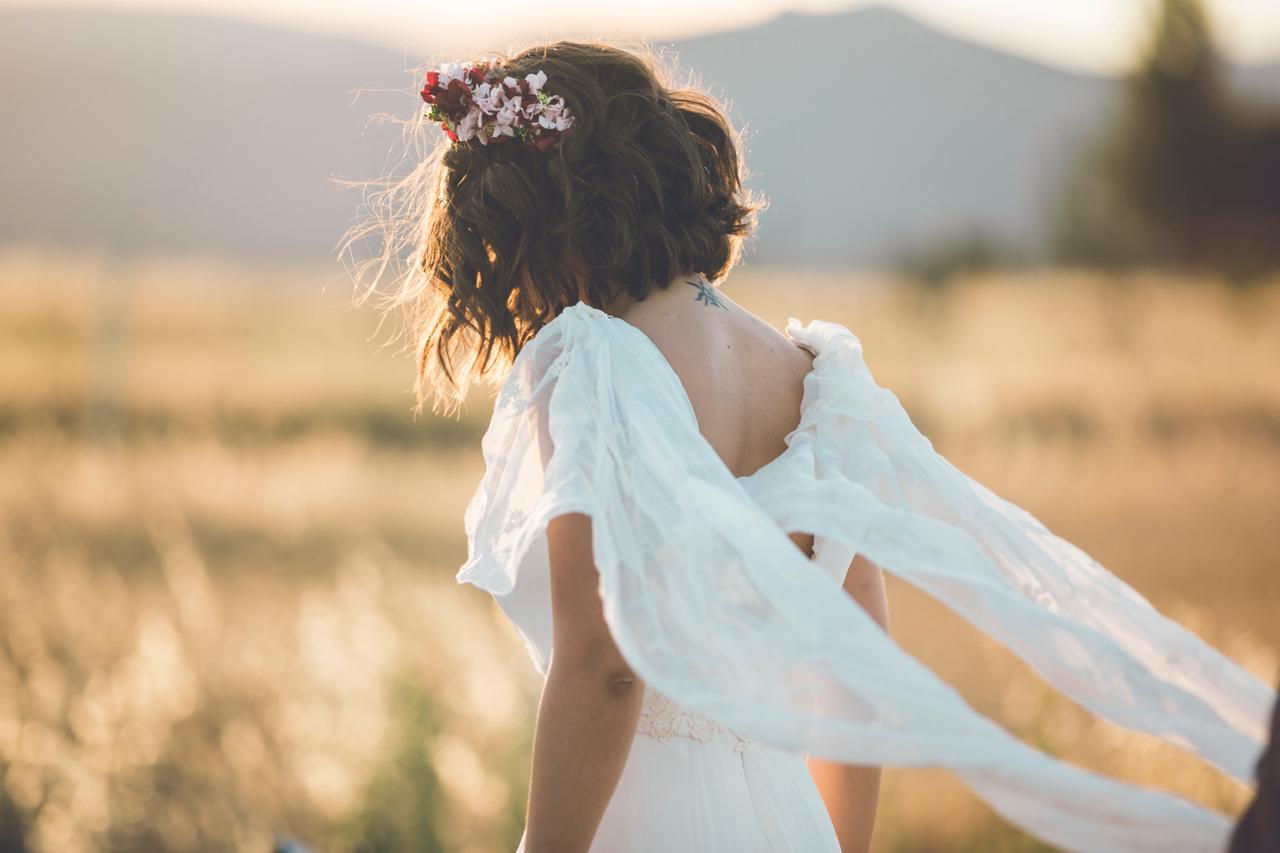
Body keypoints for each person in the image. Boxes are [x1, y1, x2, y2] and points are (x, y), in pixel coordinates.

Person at [346, 41, 1277, 853]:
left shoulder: (589, 359)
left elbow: (609, 664)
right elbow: (855, 671)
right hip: (789, 821)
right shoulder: (817, 374)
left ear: (547, 223)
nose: (518, 297)